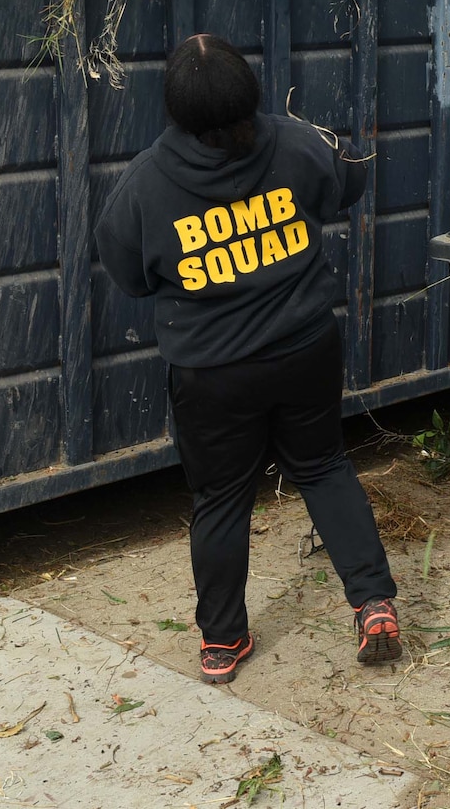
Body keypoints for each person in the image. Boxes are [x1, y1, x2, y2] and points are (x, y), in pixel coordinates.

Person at [95, 34, 403, 684]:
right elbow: (349, 178)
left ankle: (221, 643)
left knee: (223, 498)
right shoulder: (293, 142)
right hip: (304, 349)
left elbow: (128, 271)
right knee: (321, 466)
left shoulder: (146, 183)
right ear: (252, 92)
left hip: (212, 372)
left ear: (175, 109)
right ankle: (373, 602)